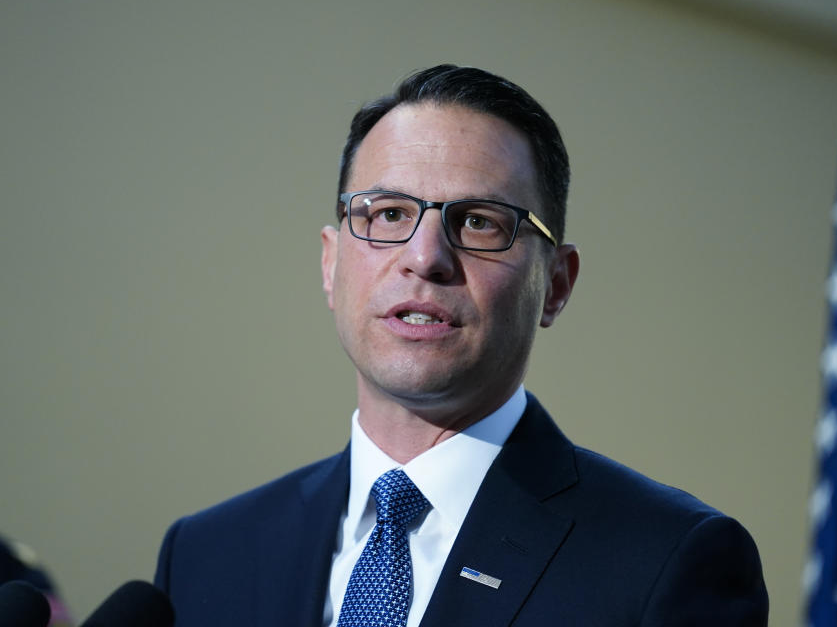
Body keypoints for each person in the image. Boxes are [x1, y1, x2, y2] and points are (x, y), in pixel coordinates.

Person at [154, 64, 768, 626]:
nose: (425, 258)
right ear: (330, 263)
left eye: (479, 221)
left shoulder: (665, 561)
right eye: (389, 213)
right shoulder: (206, 556)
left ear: (556, 284)